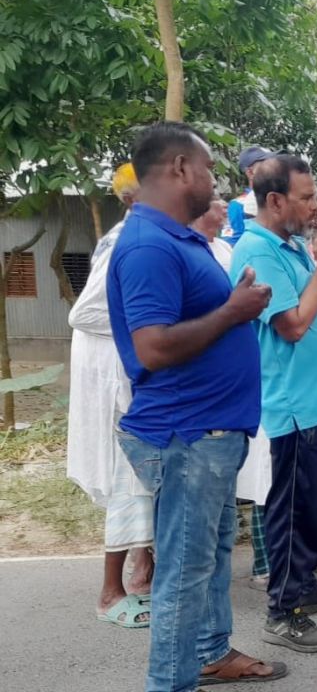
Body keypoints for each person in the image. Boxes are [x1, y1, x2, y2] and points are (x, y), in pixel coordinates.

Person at [107, 122, 284, 690]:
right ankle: (170, 683)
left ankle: (210, 653)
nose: (215, 181)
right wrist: (234, 311)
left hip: (208, 432)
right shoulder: (148, 245)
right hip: (187, 435)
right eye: (208, 169)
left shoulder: (177, 238)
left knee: (206, 560)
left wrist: (236, 304)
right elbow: (153, 347)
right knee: (184, 576)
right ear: (180, 168)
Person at [230, 154, 317, 653]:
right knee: (293, 509)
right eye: (306, 198)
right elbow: (292, 325)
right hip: (296, 403)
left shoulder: (289, 246)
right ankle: (283, 612)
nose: (315, 206)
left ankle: (304, 584)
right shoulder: (257, 251)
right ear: (274, 200)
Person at [67, 162, 155, 630]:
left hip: (125, 371)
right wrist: (147, 327)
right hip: (112, 377)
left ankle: (142, 569)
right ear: (132, 199)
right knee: (128, 477)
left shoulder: (141, 236)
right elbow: (83, 314)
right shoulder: (126, 241)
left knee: (141, 477)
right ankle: (110, 592)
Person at [196, 197, 274, 591]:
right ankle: (220, 574)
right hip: (215, 389)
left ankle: (259, 563)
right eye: (214, 203)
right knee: (231, 484)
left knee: (258, 476)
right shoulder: (236, 250)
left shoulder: (223, 251)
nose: (223, 210)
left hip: (248, 381)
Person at [224, 145, 272, 245]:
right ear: (250, 172)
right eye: (266, 165)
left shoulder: (280, 198)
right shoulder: (238, 205)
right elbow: (232, 243)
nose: (273, 169)